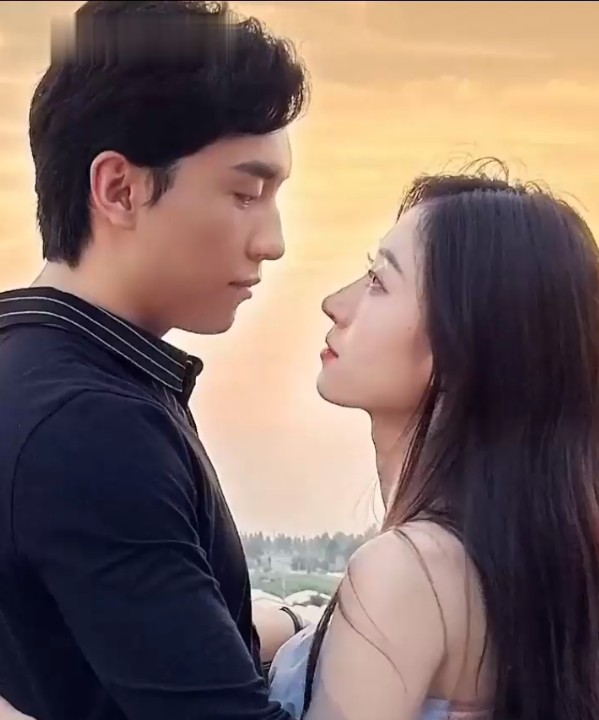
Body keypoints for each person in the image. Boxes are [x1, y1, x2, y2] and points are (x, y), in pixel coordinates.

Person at [0, 1, 310, 719]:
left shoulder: (40, 373)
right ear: (120, 189)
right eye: (245, 193)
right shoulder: (90, 426)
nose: (272, 241)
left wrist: (295, 626)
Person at [262, 164, 599, 720]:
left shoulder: (404, 571)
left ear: (461, 346)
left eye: (378, 281)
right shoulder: (537, 565)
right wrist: (295, 623)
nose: (335, 302)